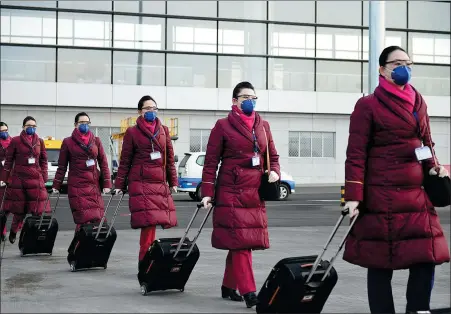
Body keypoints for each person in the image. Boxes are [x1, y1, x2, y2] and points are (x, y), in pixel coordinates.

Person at [343, 46, 450, 314]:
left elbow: (426, 141)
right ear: (382, 69)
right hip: (382, 196)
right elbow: (355, 153)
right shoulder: (368, 105)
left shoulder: (418, 100)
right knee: (381, 262)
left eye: (408, 62)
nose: (404, 68)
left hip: (417, 194)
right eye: (397, 63)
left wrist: (434, 167)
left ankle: (418, 310)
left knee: (426, 257)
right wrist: (353, 197)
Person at [200, 81, 280, 308]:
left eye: (253, 98)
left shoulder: (263, 125)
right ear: (234, 101)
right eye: (244, 97)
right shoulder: (222, 125)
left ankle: (228, 286)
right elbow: (211, 162)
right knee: (241, 243)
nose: (249, 101)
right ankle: (249, 292)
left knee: (242, 242)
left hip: (255, 191)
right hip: (231, 191)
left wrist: (274, 171)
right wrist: (207, 192)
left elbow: (272, 155)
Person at [114, 95, 178, 266]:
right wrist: (119, 184)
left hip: (158, 182)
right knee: (148, 223)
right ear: (140, 111)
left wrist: (174, 182)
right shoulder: (132, 132)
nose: (151, 111)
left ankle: (150, 260)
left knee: (155, 222)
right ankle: (144, 262)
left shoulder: (164, 130)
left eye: (154, 108)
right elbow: (125, 160)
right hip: (141, 183)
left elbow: (169, 159)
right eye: (147, 108)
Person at [51, 112, 112, 233]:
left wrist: (107, 184)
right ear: (75, 125)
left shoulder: (96, 141)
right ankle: (78, 248)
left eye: (87, 123)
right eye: (81, 123)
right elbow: (62, 166)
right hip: (77, 186)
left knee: (98, 218)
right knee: (83, 219)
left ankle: (91, 248)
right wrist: (56, 185)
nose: (85, 125)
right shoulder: (68, 142)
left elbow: (103, 163)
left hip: (93, 185)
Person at [0, 116, 51, 244]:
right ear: (23, 127)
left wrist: (44, 176)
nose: (31, 128)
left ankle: (33, 237)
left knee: (38, 210)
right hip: (19, 180)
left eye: (34, 126)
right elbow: (9, 161)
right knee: (19, 210)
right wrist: (5, 178)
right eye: (29, 126)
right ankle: (13, 231)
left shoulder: (39, 141)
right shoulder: (16, 141)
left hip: (36, 179)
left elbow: (44, 160)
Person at [0, 122, 25, 243]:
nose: (4, 133)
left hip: (15, 179)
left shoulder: (14, 142)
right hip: (2, 181)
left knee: (19, 208)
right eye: (1, 131)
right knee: (2, 209)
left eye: (6, 130)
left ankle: (15, 230)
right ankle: (2, 232)